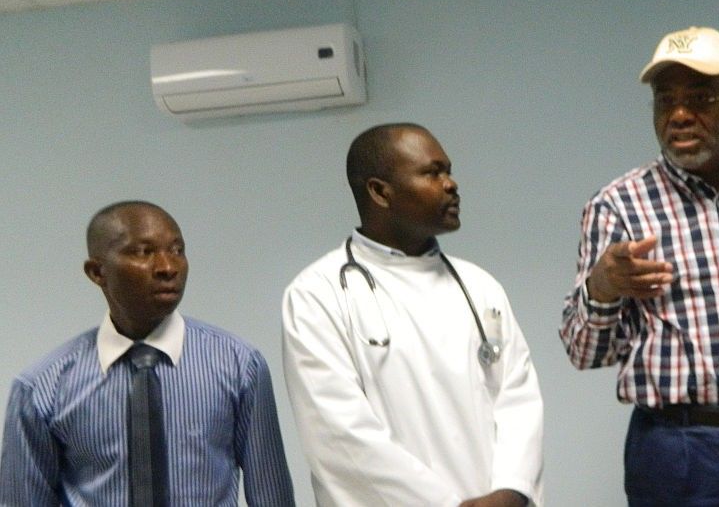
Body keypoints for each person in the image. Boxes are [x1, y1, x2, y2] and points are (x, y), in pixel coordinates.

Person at [560, 26, 719, 506]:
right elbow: (583, 353)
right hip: (682, 452)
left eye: (700, 98)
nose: (680, 114)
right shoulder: (618, 206)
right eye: (665, 100)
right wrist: (603, 286)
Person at [282, 123, 544, 506]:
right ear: (379, 192)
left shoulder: (480, 286)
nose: (451, 184)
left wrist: (512, 490)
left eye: (449, 171)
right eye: (432, 173)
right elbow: (339, 433)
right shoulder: (317, 295)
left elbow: (518, 398)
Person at [0, 201, 295, 506]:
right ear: (97, 271)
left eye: (177, 250)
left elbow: (272, 496)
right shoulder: (42, 388)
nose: (168, 267)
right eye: (144, 252)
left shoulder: (239, 366)